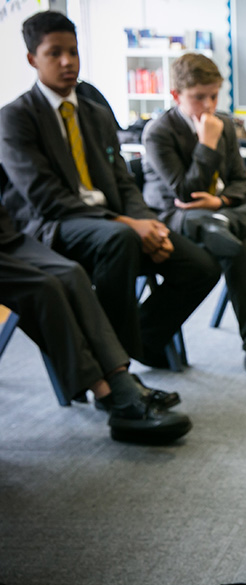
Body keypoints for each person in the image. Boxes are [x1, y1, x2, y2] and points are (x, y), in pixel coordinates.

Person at [0, 11, 220, 370]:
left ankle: (131, 347)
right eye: (55, 53)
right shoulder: (15, 117)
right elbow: (46, 198)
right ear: (31, 59)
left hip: (115, 226)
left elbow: (123, 182)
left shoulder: (96, 114)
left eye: (72, 51)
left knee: (201, 266)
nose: (68, 61)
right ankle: (120, 373)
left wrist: (149, 223)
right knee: (119, 239)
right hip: (53, 228)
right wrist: (128, 224)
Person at [141, 53, 246, 378]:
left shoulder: (225, 124)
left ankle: (227, 223)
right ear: (176, 96)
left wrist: (221, 205)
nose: (208, 104)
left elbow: (241, 184)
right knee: (236, 244)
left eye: (213, 96)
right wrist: (206, 143)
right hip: (176, 217)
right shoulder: (158, 131)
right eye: (198, 97)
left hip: (221, 213)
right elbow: (186, 194)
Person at [0, 205, 191, 442]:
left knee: (72, 273)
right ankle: (107, 392)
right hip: (47, 222)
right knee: (44, 287)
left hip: (5, 236)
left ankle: (120, 377)